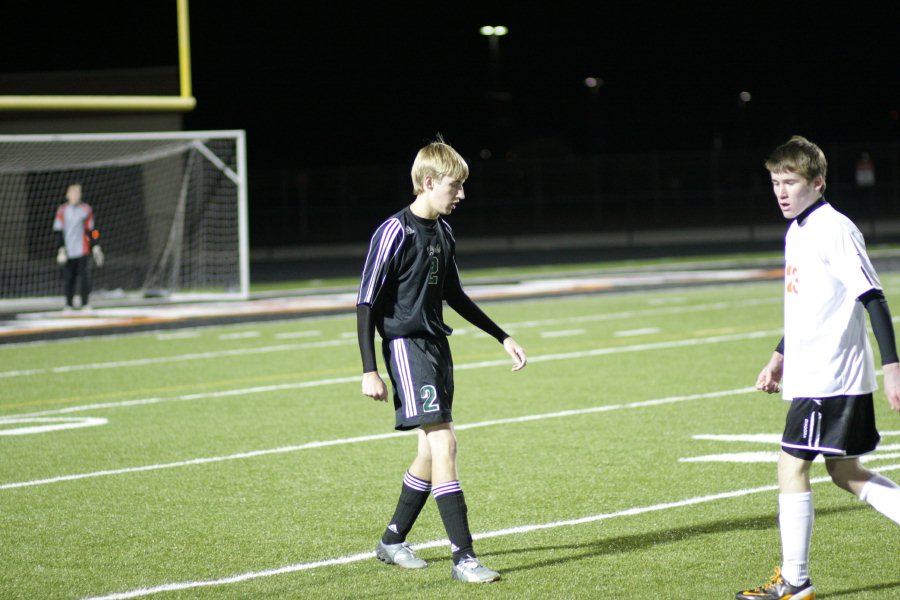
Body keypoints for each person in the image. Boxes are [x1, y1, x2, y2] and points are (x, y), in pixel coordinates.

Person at [356, 136, 527, 583]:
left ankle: (392, 540)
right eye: (455, 186)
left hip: (436, 348)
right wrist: (369, 369)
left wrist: (501, 336)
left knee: (429, 455)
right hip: (406, 348)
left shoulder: (444, 232)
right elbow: (366, 303)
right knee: (446, 444)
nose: (462, 194)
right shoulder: (394, 231)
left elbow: (455, 295)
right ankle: (464, 558)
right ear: (428, 182)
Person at [736, 136, 900, 600]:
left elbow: (873, 297)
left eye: (790, 182)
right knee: (847, 473)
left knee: (791, 466)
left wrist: (893, 366)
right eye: (774, 182)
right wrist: (779, 357)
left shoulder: (834, 229)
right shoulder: (798, 231)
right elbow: (811, 308)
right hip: (815, 373)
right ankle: (794, 581)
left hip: (829, 376)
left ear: (818, 182)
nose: (781, 191)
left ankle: (795, 581)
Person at [53, 182, 104, 311]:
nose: (76, 195)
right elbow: (59, 231)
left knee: (85, 278)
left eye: (78, 193)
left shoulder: (86, 209)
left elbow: (92, 230)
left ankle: (85, 303)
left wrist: (96, 246)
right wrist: (61, 249)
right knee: (69, 278)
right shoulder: (62, 210)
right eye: (73, 193)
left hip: (83, 249)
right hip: (69, 250)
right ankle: (69, 304)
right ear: (67, 195)